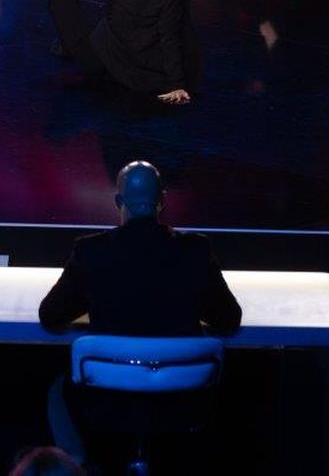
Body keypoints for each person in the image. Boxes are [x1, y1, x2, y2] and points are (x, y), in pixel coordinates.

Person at [39, 162, 241, 468]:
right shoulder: (195, 251)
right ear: (163, 200)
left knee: (57, 389)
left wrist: (94, 298)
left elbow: (51, 316)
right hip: (181, 403)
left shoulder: (91, 252)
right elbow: (228, 320)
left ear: (118, 202)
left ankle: (80, 466)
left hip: (106, 404)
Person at [48, 0, 199, 105]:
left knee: (61, 0)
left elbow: (111, 15)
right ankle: (65, 47)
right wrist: (177, 84)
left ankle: (65, 47)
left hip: (104, 62)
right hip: (141, 74)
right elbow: (170, 38)